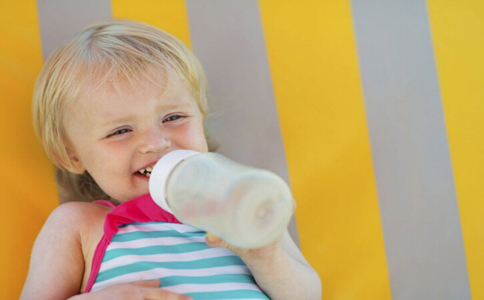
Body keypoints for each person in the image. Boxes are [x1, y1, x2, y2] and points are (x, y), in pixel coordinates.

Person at [20, 19, 322, 300]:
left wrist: (267, 257)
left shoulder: (240, 201)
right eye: (121, 130)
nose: (156, 142)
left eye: (173, 117)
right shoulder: (78, 224)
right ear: (71, 155)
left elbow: (307, 295)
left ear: (200, 119)